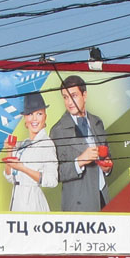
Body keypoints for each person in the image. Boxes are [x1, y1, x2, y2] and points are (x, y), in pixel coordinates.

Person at [50, 75, 114, 211]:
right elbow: (54, 174)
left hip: (103, 197)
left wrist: (107, 167)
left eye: (73, 95)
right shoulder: (58, 130)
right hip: (78, 203)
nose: (69, 102)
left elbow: (107, 156)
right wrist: (79, 161)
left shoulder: (97, 122)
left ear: (84, 95)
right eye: (65, 97)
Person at [2, 91, 58, 212]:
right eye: (30, 114)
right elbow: (10, 177)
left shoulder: (46, 144)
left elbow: (52, 181)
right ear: (25, 118)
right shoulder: (23, 145)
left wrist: (23, 168)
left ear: (45, 117)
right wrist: (9, 150)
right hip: (16, 199)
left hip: (32, 202)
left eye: (39, 114)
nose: (34, 119)